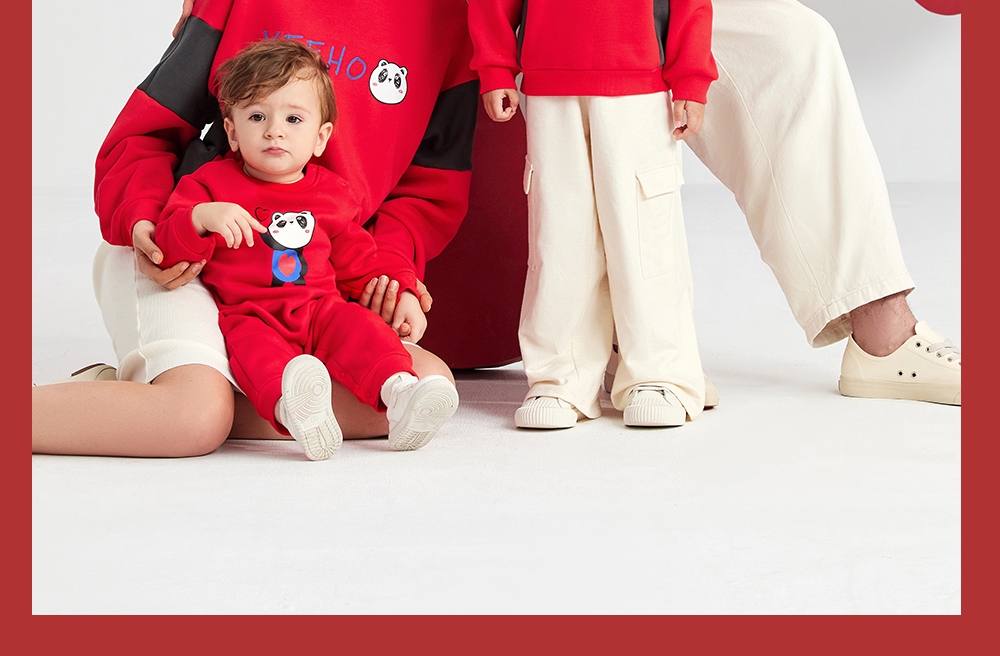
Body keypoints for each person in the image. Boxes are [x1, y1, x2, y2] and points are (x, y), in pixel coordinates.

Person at [31, 0, 479, 457]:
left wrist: (391, 280)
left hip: (310, 283)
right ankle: (182, 400)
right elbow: (146, 134)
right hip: (184, 256)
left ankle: (141, 399)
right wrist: (146, 219)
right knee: (193, 418)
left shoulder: (453, 19)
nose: (275, 132)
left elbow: (424, 193)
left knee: (424, 383)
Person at [155, 39, 459, 459]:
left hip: (321, 310)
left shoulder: (333, 194)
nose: (274, 131)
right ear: (232, 132)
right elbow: (167, 249)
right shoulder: (209, 185)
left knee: (361, 330)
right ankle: (294, 409)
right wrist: (199, 218)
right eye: (257, 116)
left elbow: (360, 263)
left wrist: (399, 290)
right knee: (256, 356)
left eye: (293, 118)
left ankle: (401, 392)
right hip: (250, 315)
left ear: (320, 138)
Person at [468, 0, 716, 429]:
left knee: (642, 235)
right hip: (549, 77)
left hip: (639, 77)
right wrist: (495, 65)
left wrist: (691, 76)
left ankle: (660, 375)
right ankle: (560, 378)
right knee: (559, 235)